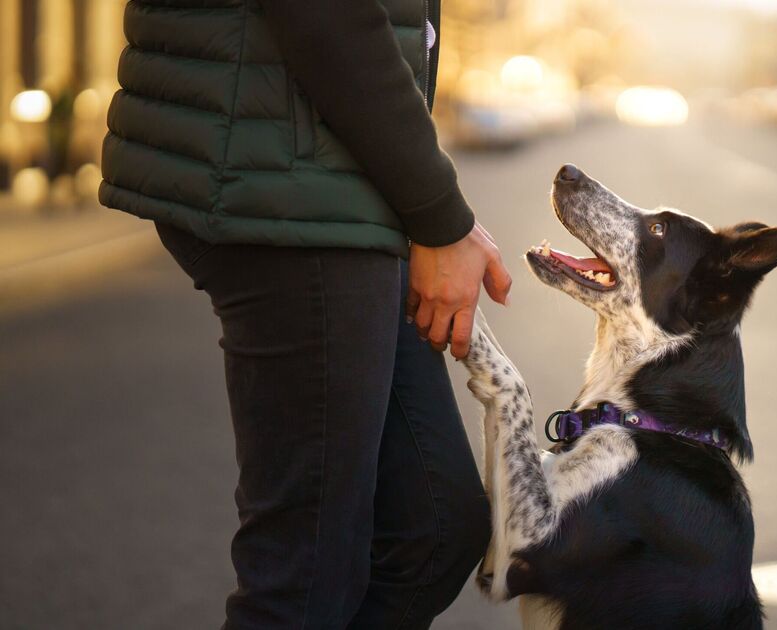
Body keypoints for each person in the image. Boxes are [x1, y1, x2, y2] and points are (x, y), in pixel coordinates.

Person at [98, 0, 510, 627]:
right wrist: (437, 213)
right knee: (307, 576)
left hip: (336, 181)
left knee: (433, 528)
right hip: (290, 177)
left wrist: (431, 210)